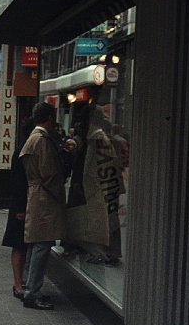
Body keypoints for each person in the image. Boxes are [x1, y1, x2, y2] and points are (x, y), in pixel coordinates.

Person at [19, 102, 67, 310]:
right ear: (48, 118)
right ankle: (32, 291)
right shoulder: (41, 140)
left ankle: (28, 286)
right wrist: (60, 193)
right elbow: (49, 172)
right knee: (41, 245)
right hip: (44, 197)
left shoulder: (32, 138)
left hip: (36, 194)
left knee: (36, 243)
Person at [65, 104, 122, 265]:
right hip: (96, 191)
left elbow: (93, 171)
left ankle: (100, 253)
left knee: (95, 225)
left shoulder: (97, 140)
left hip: (94, 192)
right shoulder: (94, 139)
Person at [2, 117, 34, 299]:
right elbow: (18, 182)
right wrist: (20, 208)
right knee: (19, 244)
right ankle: (18, 284)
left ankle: (21, 282)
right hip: (20, 205)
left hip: (22, 204)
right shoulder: (23, 150)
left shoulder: (25, 148)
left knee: (22, 244)